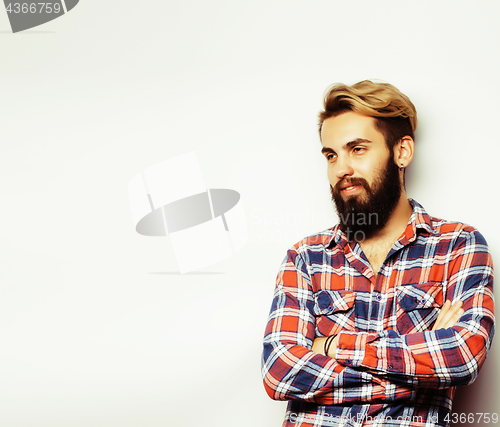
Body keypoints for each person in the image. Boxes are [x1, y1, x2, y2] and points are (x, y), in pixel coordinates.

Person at [261, 80, 495, 426]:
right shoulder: (306, 257)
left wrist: (329, 346)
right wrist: (421, 364)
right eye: (331, 154)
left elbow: (461, 356)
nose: (341, 169)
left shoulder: (458, 246)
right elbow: (279, 371)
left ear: (402, 152)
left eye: (357, 149)